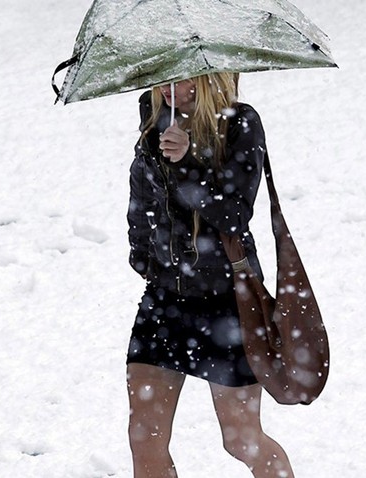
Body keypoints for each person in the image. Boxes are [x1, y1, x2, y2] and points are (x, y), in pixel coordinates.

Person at [125, 72, 294, 478]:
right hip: (165, 300)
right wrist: (146, 258)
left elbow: (234, 215)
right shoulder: (154, 125)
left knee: (240, 438)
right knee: (144, 436)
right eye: (162, 78)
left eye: (183, 80)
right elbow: (141, 203)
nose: (170, 89)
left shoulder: (240, 124)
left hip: (227, 302)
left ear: (209, 78)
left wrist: (187, 164)